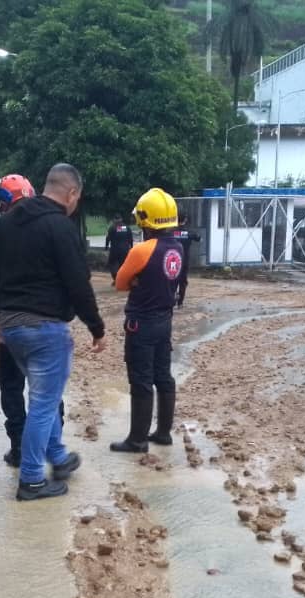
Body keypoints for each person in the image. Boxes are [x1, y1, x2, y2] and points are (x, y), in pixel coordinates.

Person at [0, 163, 105, 501]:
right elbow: (78, 282)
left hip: (12, 327)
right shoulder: (60, 227)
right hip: (44, 328)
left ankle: (59, 457)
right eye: (77, 198)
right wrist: (96, 327)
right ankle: (33, 480)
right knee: (42, 404)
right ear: (71, 192)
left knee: (44, 397)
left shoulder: (6, 223)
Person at [110, 188, 183, 453]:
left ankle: (137, 440)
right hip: (165, 321)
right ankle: (163, 432)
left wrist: (136, 281)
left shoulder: (141, 250)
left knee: (141, 379)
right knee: (163, 375)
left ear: (145, 218)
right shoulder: (178, 248)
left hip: (141, 323)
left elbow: (119, 283)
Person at [0, 174, 38, 468]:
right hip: (45, 324)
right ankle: (48, 444)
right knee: (45, 387)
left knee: (10, 384)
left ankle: (19, 445)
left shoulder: (2, 231)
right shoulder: (52, 226)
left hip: (11, 324)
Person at [172, 215, 200, 308]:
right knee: (183, 282)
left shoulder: (171, 233)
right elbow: (198, 238)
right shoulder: (189, 233)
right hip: (184, 260)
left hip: (173, 261)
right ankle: (180, 303)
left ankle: (172, 300)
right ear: (185, 220)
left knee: (172, 280)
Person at [105, 213, 134, 282]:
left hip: (115, 250)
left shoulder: (112, 228)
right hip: (125, 250)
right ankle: (123, 280)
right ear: (121, 219)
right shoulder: (127, 228)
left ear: (114, 220)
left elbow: (108, 238)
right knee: (123, 265)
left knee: (112, 263)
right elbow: (131, 239)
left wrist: (106, 247)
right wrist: (131, 247)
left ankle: (116, 279)